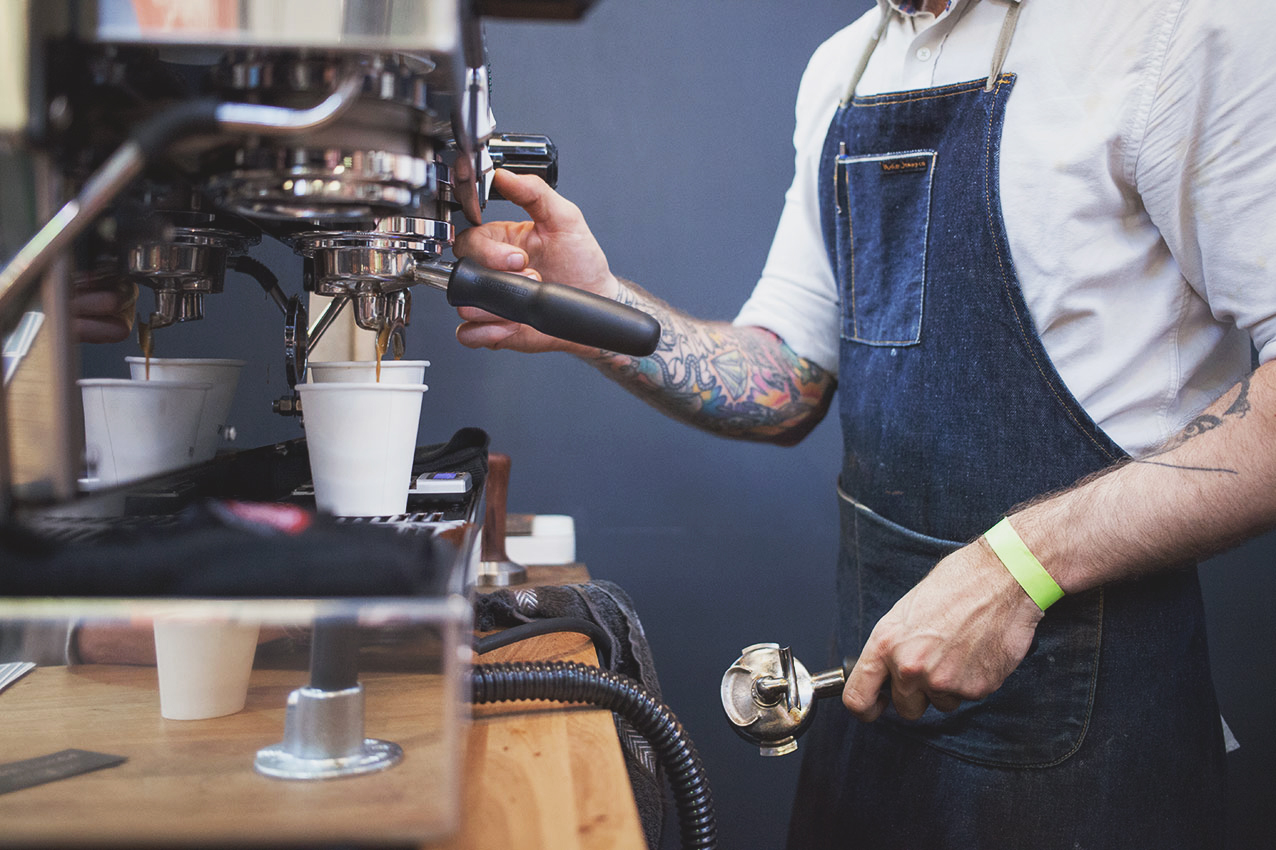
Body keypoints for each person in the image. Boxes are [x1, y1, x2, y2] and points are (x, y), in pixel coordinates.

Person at [455, 0, 1276, 845]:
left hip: (1085, 746)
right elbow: (787, 383)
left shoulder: (1184, 29)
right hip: (866, 703)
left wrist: (1016, 569)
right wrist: (600, 312)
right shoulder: (848, 64)